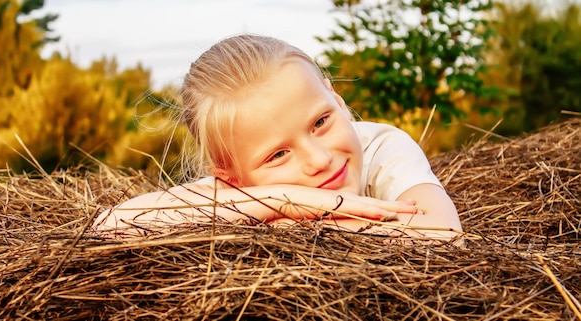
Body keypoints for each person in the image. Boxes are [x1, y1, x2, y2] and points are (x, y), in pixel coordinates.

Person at [93, 34, 463, 241]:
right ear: (230, 175)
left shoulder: (382, 147)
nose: (319, 159)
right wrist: (282, 201)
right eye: (278, 155)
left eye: (320, 122)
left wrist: (296, 222)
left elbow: (445, 232)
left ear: (338, 99)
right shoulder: (241, 188)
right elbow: (108, 228)